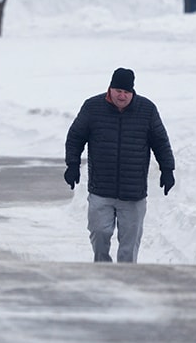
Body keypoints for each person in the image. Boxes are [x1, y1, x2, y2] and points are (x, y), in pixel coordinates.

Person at [64, 67, 175, 263]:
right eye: (119, 91)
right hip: (101, 189)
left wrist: (167, 169)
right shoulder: (92, 107)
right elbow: (75, 137)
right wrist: (72, 164)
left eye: (127, 92)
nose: (122, 96)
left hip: (133, 193)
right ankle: (102, 270)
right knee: (99, 234)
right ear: (110, 89)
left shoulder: (147, 110)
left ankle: (126, 278)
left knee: (129, 245)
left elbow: (160, 141)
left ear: (132, 92)